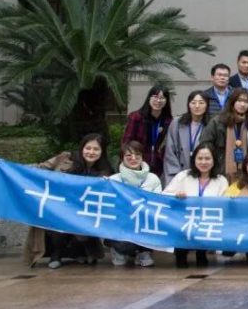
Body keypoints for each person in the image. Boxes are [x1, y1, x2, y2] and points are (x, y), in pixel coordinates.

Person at [45, 134, 113, 269]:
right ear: (82, 148)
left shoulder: (106, 171)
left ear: (102, 152)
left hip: (86, 213)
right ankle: (56, 254)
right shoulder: (66, 159)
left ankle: (80, 252)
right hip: (61, 208)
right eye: (88, 148)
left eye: (96, 149)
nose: (91, 152)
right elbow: (40, 168)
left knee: (82, 235)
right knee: (57, 225)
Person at [164, 143, 229, 268]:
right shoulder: (183, 176)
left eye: (207, 158)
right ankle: (181, 253)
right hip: (184, 221)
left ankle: (202, 252)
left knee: (202, 263)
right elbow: (164, 195)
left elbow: (225, 204)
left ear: (214, 160)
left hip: (208, 222)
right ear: (194, 160)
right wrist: (176, 195)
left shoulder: (221, 180)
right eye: (200, 158)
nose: (203, 162)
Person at [106, 141, 163, 267]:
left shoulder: (153, 178)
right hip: (121, 222)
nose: (133, 158)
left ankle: (143, 252)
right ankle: (118, 250)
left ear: (142, 157)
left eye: (137, 155)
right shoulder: (113, 180)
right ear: (122, 158)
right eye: (128, 155)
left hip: (145, 220)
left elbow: (158, 202)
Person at [199, 88, 248, 182]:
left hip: (247, 170)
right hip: (221, 170)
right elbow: (205, 143)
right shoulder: (218, 121)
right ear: (232, 102)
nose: (242, 104)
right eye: (239, 100)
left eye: (246, 102)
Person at [122, 85, 172, 178]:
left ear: (166, 101)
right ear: (149, 98)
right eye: (155, 97)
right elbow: (126, 142)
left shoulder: (168, 121)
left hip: (158, 166)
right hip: (136, 163)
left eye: (162, 98)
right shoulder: (136, 117)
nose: (158, 101)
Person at [163, 90, 208, 186]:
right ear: (188, 105)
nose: (197, 106)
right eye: (193, 103)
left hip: (202, 173)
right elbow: (170, 151)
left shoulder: (210, 125)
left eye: (201, 103)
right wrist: (177, 177)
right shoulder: (177, 122)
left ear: (207, 105)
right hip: (178, 173)